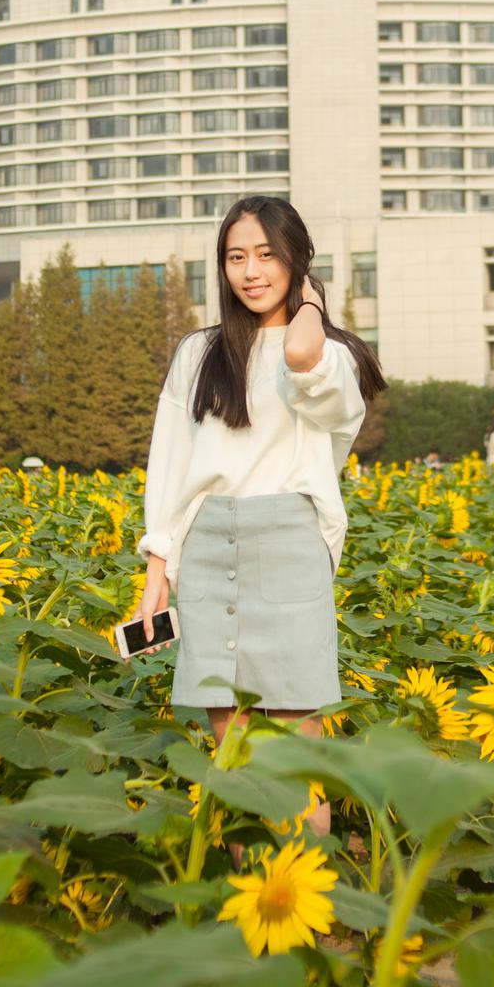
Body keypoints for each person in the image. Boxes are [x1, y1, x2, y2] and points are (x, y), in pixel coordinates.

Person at [134, 194, 385, 839]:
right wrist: (157, 573)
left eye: (268, 255)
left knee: (296, 752)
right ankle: (250, 896)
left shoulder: (331, 356)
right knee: (236, 757)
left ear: (297, 260)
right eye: (235, 257)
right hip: (208, 549)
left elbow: (301, 360)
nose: (250, 272)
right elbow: (170, 466)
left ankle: (305, 889)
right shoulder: (198, 353)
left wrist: (310, 305)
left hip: (289, 548)